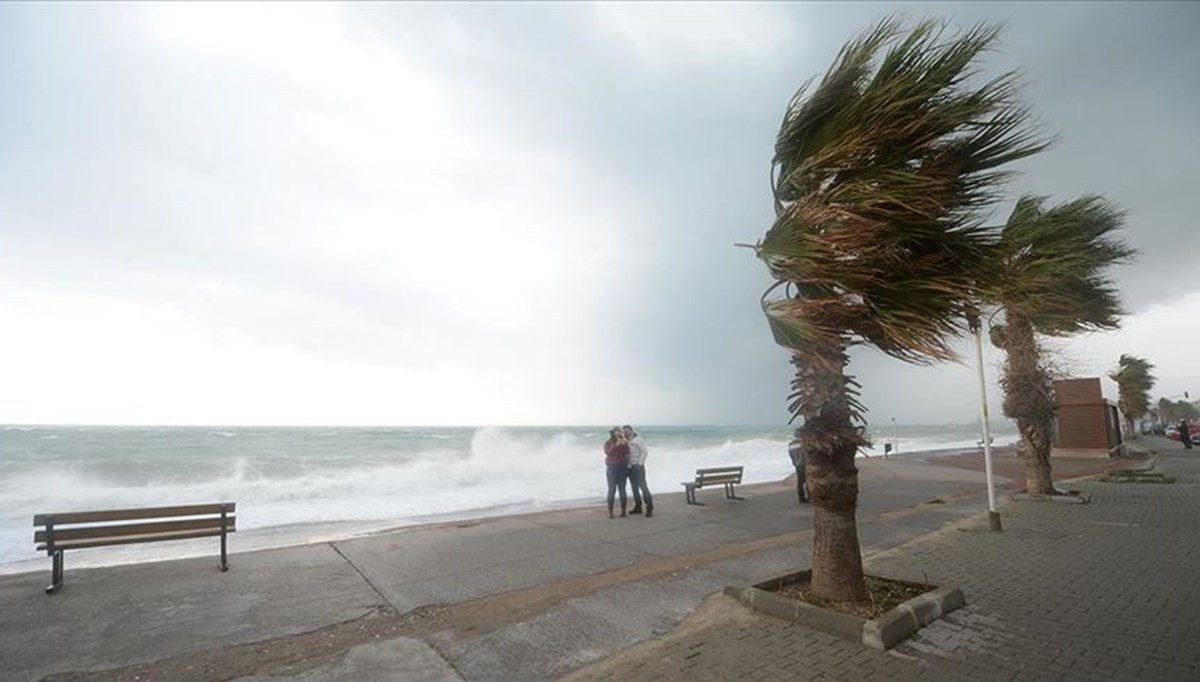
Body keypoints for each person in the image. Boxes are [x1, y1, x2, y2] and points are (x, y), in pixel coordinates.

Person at [623, 425, 653, 518]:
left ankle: (649, 508)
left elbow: (644, 452)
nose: (626, 433)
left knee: (643, 487)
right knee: (634, 488)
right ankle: (638, 507)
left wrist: (640, 464)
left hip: (638, 467)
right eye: (624, 432)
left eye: (627, 431)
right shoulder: (627, 440)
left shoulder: (638, 439)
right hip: (630, 467)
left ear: (631, 431)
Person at [603, 427, 630, 518]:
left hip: (622, 467)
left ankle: (623, 512)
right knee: (612, 490)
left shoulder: (624, 441)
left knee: (622, 490)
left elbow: (627, 452)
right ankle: (610, 513)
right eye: (617, 431)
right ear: (613, 433)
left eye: (620, 431)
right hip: (612, 468)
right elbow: (608, 452)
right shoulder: (608, 443)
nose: (618, 433)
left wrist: (624, 443)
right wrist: (616, 445)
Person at [788, 428, 808, 503]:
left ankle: (801, 497)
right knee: (807, 481)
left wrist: (794, 462)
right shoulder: (805, 442)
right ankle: (810, 496)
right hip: (805, 463)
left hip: (797, 464)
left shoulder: (791, 444)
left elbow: (791, 455)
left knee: (800, 481)